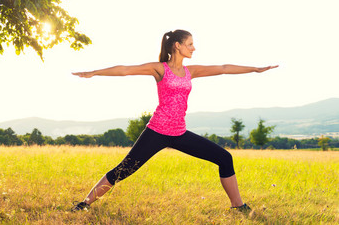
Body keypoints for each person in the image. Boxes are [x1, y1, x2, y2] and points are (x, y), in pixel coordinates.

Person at [70, 29, 278, 212]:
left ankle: (237, 206)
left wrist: (255, 69)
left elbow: (223, 68)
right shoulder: (160, 69)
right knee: (124, 170)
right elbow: (125, 70)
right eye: (190, 44)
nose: (193, 48)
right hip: (157, 132)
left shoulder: (191, 71)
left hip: (179, 133)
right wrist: (94, 73)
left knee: (224, 158)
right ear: (177, 46)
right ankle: (84, 203)